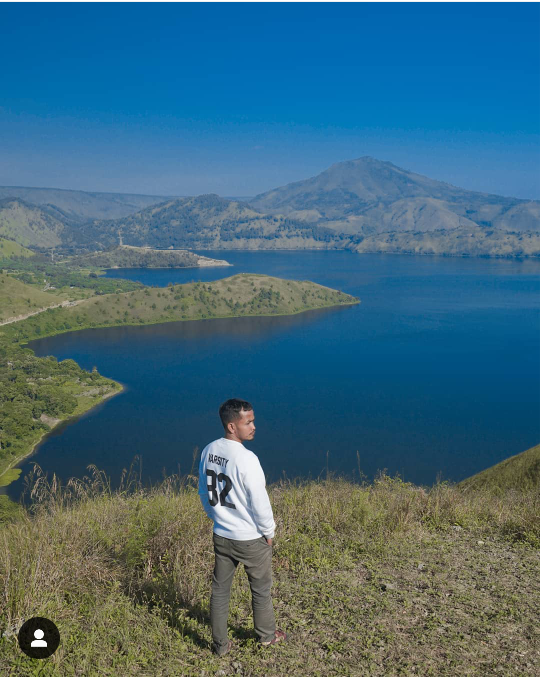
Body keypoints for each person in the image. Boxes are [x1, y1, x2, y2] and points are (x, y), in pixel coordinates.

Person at [198, 398, 287, 657]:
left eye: (253, 420)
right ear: (231, 426)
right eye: (247, 422)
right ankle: (267, 637)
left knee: (219, 591)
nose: (254, 426)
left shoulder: (209, 450)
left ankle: (220, 646)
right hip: (250, 539)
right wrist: (268, 533)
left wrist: (216, 517)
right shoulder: (247, 459)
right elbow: (261, 503)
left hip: (222, 534)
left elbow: (204, 491)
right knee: (260, 590)